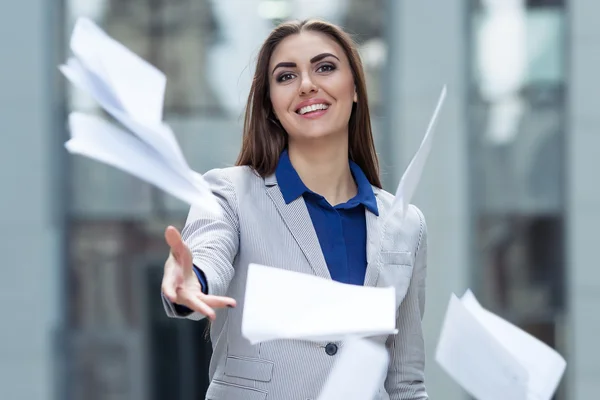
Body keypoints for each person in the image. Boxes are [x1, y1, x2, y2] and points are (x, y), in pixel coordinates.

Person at [161, 18, 428, 400]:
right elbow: (207, 254)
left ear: (354, 89)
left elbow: (406, 383)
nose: (306, 84)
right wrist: (191, 280)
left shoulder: (406, 225)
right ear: (270, 104)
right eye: (286, 77)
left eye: (325, 67)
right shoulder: (230, 193)